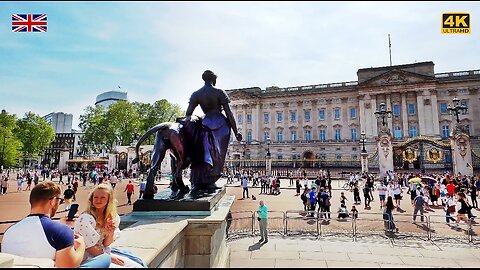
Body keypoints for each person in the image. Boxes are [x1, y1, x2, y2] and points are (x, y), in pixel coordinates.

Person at [2, 181, 110, 268]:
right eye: (59, 200)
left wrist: (61, 225)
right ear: (53, 201)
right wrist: (81, 246)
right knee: (105, 259)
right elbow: (68, 266)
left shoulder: (10, 230)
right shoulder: (61, 231)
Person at [182, 70, 242, 191]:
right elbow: (229, 113)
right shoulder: (219, 92)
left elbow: (188, 114)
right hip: (221, 124)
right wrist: (236, 132)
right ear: (214, 79)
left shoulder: (196, 94)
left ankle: (199, 178)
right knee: (218, 154)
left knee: (202, 151)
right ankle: (211, 177)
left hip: (205, 123)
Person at [74, 184, 146, 267]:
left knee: (137, 266)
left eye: (102, 197)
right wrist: (110, 258)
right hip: (87, 257)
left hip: (102, 253)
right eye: (96, 197)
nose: (98, 200)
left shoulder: (112, 217)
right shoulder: (86, 219)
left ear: (109, 200)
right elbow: (89, 247)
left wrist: (110, 232)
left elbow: (106, 244)